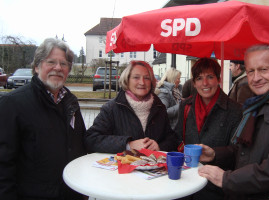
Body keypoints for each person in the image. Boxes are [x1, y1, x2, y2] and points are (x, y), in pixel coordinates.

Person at [198, 44, 269, 200]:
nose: (256, 77)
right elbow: (245, 152)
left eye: (263, 69)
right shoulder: (255, 104)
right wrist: (215, 154)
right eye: (251, 71)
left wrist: (227, 179)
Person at [0, 38, 87, 199]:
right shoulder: (12, 104)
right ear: (37, 66)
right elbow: (3, 166)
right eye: (51, 62)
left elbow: (80, 144)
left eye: (64, 64)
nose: (58, 68)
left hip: (70, 193)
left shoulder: (71, 102)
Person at [175, 57, 243, 200]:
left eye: (210, 77)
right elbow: (177, 137)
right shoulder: (186, 106)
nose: (205, 83)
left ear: (218, 79)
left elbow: (238, 151)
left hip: (215, 188)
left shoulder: (235, 110)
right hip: (186, 182)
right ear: (194, 83)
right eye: (199, 78)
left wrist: (215, 154)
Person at [85, 61, 177, 153]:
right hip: (121, 166)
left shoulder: (159, 107)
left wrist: (159, 146)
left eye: (147, 78)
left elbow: (172, 138)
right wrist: (128, 145)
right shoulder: (112, 108)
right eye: (136, 77)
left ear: (151, 82)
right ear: (127, 80)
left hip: (154, 166)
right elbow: (91, 139)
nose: (142, 82)